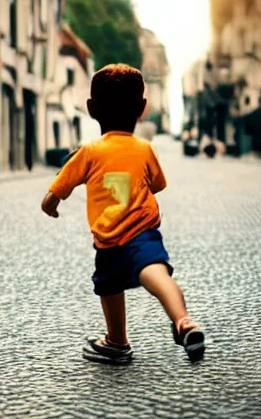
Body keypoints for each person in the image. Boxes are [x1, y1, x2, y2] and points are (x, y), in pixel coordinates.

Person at [41, 63, 205, 365]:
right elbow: (157, 184)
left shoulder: (88, 152)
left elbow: (60, 186)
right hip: (144, 232)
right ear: (142, 108)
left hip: (109, 237)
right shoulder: (144, 149)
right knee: (157, 274)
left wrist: (50, 203)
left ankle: (117, 341)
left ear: (91, 108)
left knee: (110, 285)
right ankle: (184, 322)